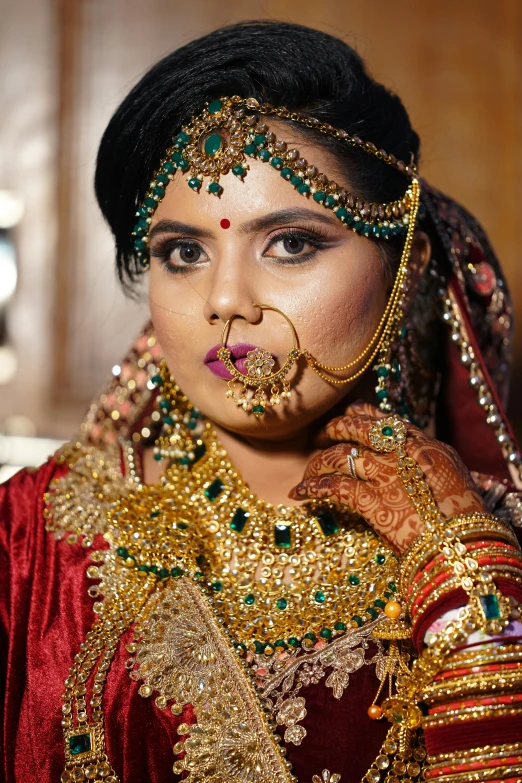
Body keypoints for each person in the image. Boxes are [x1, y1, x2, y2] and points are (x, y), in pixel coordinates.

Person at [1, 20, 522, 783]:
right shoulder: (28, 550)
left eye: (291, 244)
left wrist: (470, 589)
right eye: (184, 252)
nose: (225, 302)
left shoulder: (486, 547)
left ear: (398, 259)